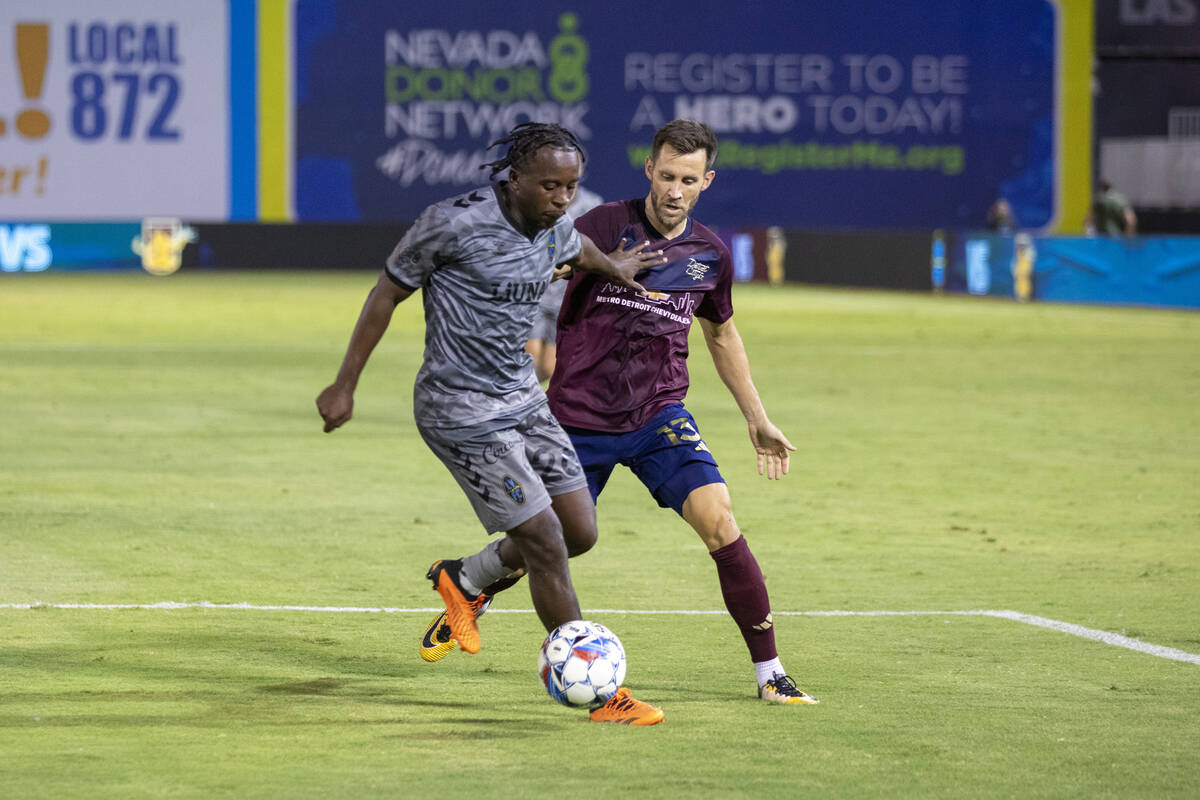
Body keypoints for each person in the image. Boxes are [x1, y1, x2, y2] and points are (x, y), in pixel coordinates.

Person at [421, 119, 819, 706]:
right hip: (576, 418)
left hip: (659, 416)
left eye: (688, 179)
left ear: (706, 180)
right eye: (665, 175)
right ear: (649, 171)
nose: (674, 190)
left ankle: (771, 674)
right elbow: (537, 264)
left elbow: (723, 336)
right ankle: (470, 577)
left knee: (721, 521)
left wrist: (757, 418)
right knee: (561, 542)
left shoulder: (709, 255)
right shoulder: (603, 225)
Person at [317, 122, 666, 725]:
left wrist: (613, 265)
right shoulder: (451, 224)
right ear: (515, 178)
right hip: (461, 410)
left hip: (523, 400)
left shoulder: (555, 224)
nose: (562, 199)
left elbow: (573, 247)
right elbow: (385, 294)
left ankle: (464, 578)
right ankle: (602, 697)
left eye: (571, 187)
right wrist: (345, 384)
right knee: (546, 542)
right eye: (550, 186)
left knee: (579, 531)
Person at [525, 186, 605, 382]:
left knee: (548, 368)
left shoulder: (592, 204)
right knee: (530, 359)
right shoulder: (540, 200)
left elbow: (596, 248)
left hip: (566, 298)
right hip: (537, 293)